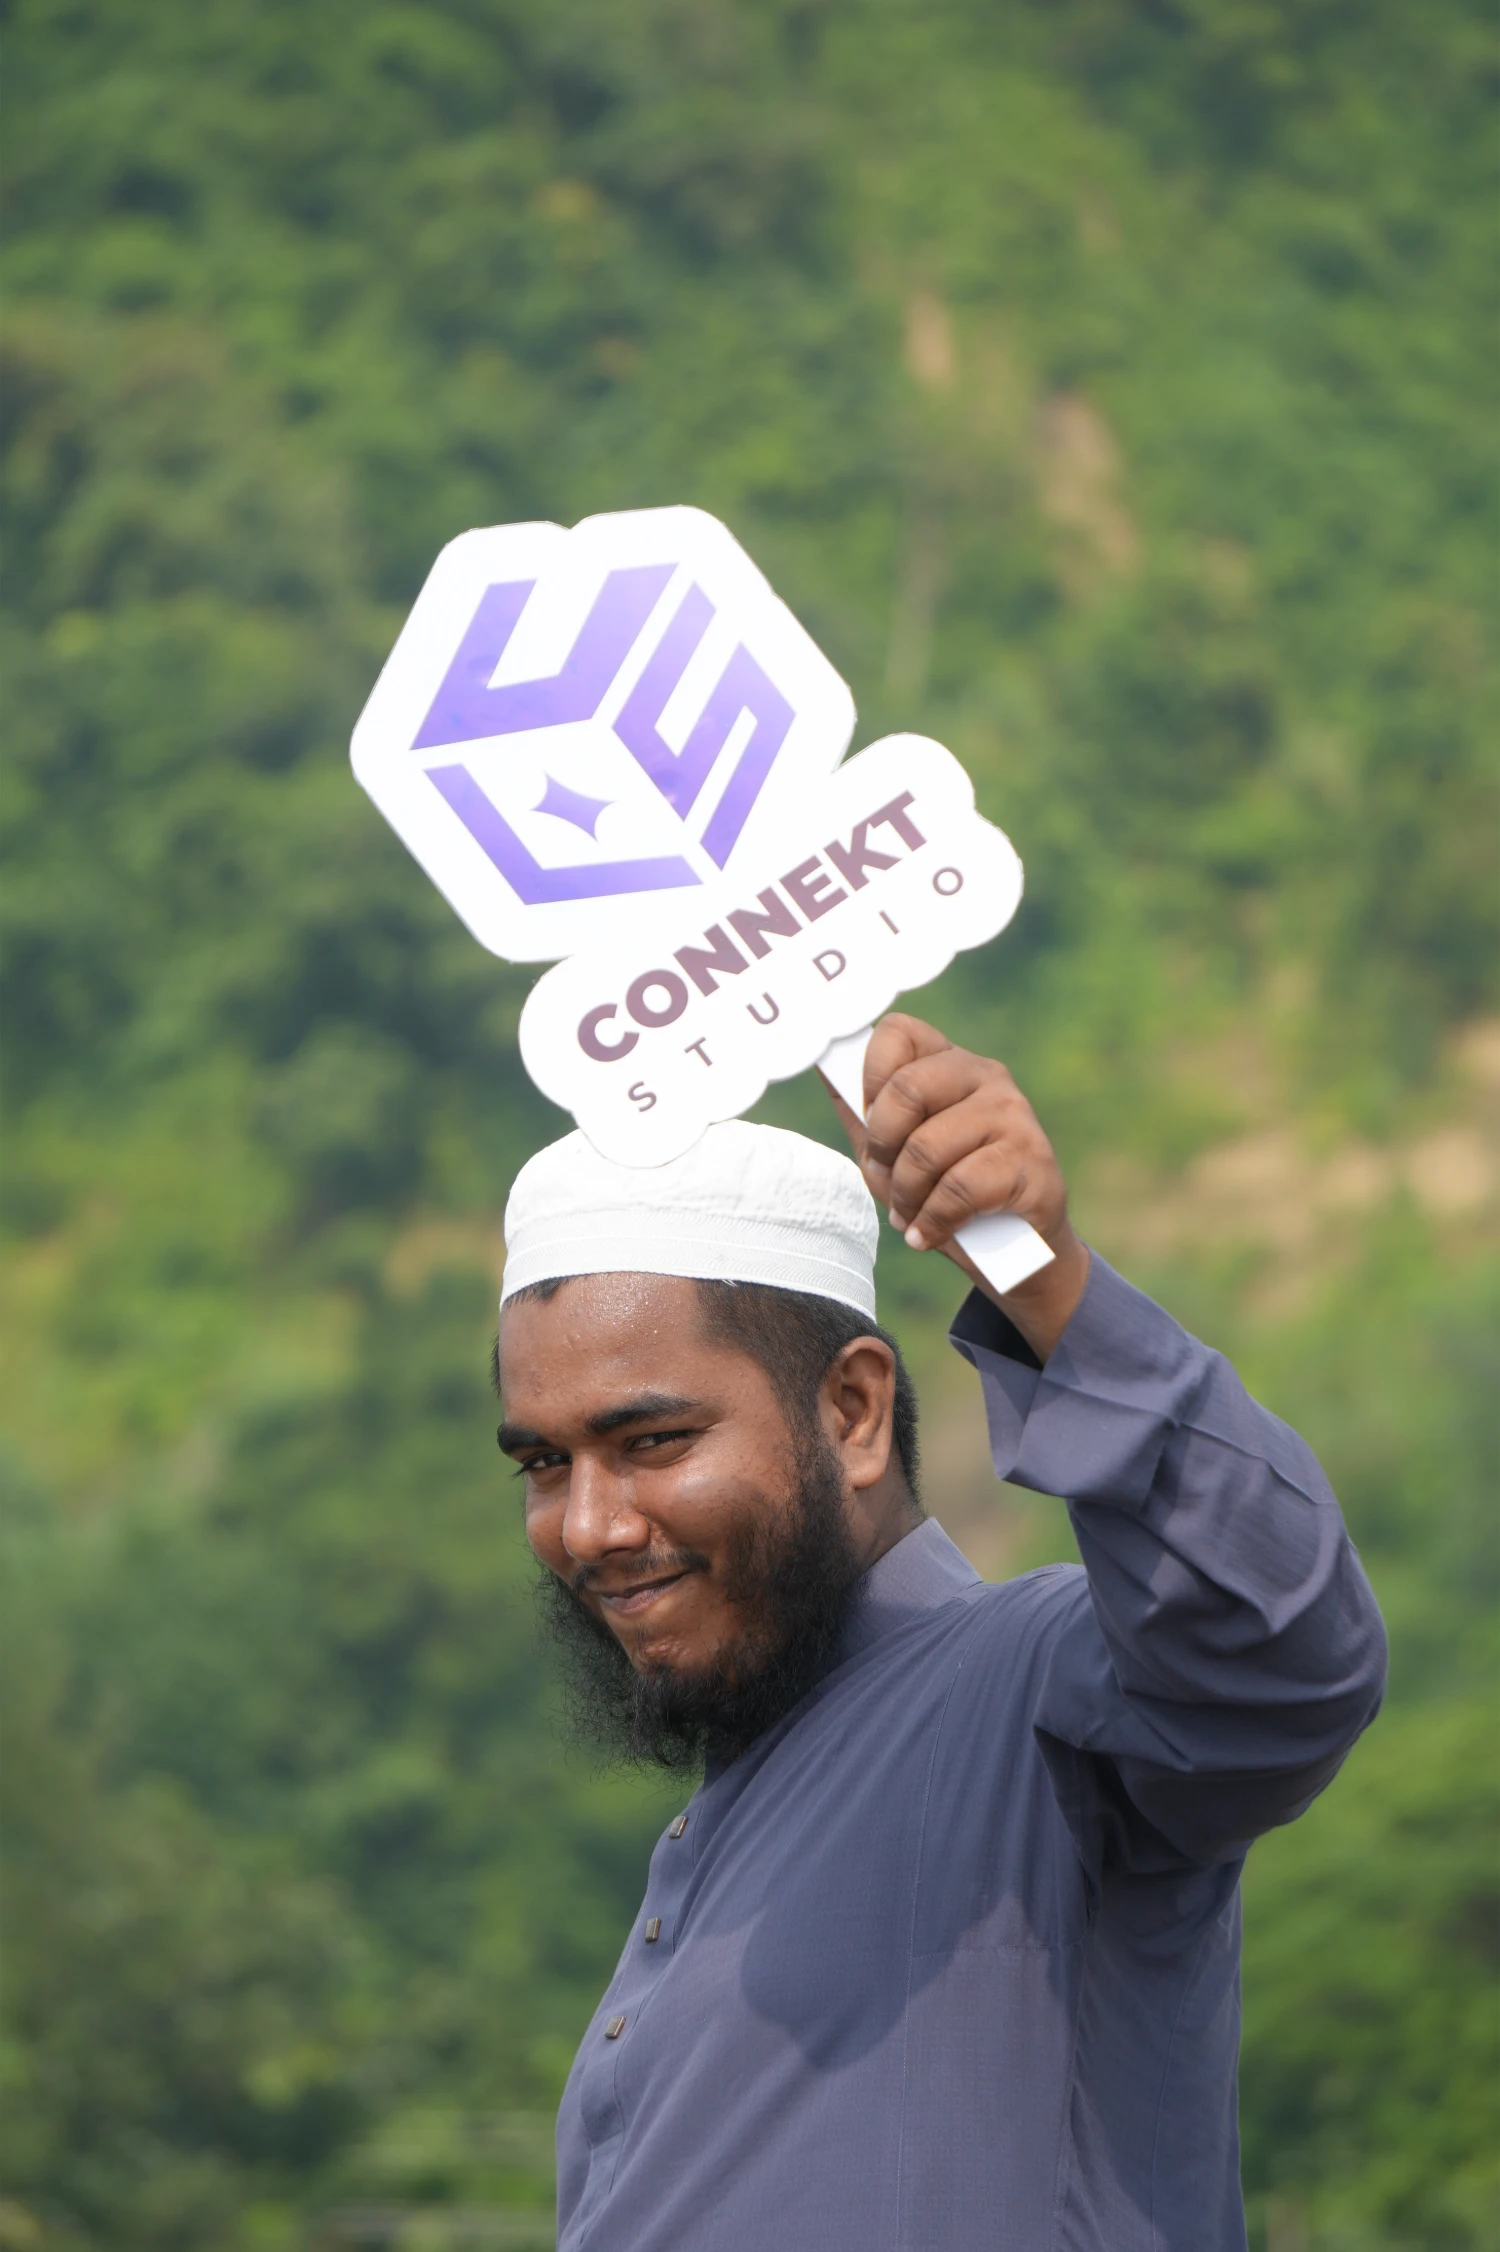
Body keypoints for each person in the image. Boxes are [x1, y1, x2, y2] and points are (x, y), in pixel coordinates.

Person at [494, 1013, 1386, 2252]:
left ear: (854, 1411)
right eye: (545, 1462)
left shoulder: (1040, 1697)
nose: (591, 1524)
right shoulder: (727, 1816)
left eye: (652, 1441)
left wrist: (1047, 1280)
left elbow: (1279, 1649)